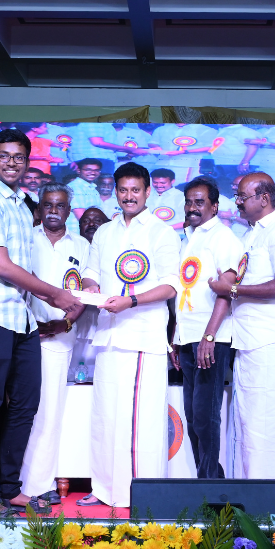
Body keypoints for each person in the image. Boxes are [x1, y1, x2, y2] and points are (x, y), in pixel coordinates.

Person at [0, 128, 82, 516]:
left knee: (25, 405)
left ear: (27, 163)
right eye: (4, 156)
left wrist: (47, 299)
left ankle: (10, 487)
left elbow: (22, 269)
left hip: (22, 320)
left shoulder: (19, 204)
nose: (11, 162)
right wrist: (55, 295)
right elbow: (1, 266)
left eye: (18, 157)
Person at [79, 162, 181, 507]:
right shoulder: (105, 232)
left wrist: (131, 301)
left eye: (135, 190)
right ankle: (104, 489)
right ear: (115, 191)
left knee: (140, 421)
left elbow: (170, 286)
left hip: (141, 334)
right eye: (123, 190)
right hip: (108, 333)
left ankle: (140, 493)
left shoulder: (161, 232)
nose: (128, 196)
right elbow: (91, 272)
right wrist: (90, 288)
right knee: (105, 416)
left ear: (148, 192)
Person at [207, 172, 275, 479]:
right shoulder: (252, 234)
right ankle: (251, 493)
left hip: (272, 345)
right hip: (249, 342)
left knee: (271, 427)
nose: (237, 202)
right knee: (250, 426)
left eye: (242, 197)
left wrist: (232, 290)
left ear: (264, 199)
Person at [13, 183, 90, 511]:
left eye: (60, 205)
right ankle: (22, 485)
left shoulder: (82, 245)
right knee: (28, 413)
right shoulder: (25, 239)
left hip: (62, 339)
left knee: (52, 412)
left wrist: (66, 322)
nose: (54, 211)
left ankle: (40, 484)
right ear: (39, 209)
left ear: (69, 211)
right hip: (25, 337)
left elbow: (86, 290)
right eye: (48, 205)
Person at [170, 176, 242, 478]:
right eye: (188, 202)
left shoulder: (224, 238)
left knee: (206, 415)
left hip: (211, 339)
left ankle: (210, 484)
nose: (192, 207)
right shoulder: (188, 239)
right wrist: (176, 338)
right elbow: (184, 292)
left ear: (215, 206)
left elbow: (227, 290)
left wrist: (209, 336)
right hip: (187, 338)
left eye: (199, 202)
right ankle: (211, 478)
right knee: (192, 415)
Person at [69, 207, 111, 382]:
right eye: (86, 221)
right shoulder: (71, 248)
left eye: (98, 221)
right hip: (73, 327)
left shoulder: (114, 253)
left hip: (104, 327)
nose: (91, 224)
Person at [149, 123, 218, 183]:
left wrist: (185, 151)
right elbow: (153, 143)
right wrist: (158, 148)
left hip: (188, 165)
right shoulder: (161, 129)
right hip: (162, 164)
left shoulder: (206, 130)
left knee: (183, 189)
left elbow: (211, 147)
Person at [210, 123, 261, 189]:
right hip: (224, 165)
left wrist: (244, 162)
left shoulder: (242, 130)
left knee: (237, 189)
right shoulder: (224, 130)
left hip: (237, 166)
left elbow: (253, 146)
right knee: (225, 189)